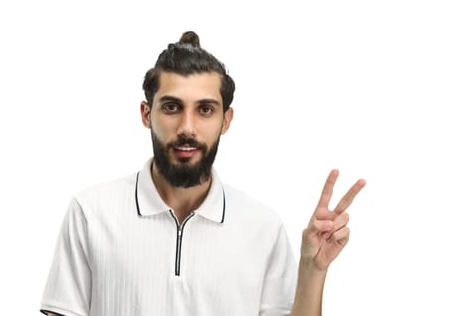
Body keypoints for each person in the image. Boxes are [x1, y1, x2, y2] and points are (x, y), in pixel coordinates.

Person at [39, 31, 366, 316]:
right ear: (145, 114)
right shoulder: (91, 213)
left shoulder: (263, 228)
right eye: (171, 107)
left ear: (226, 120)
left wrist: (312, 269)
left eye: (205, 110)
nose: (187, 128)